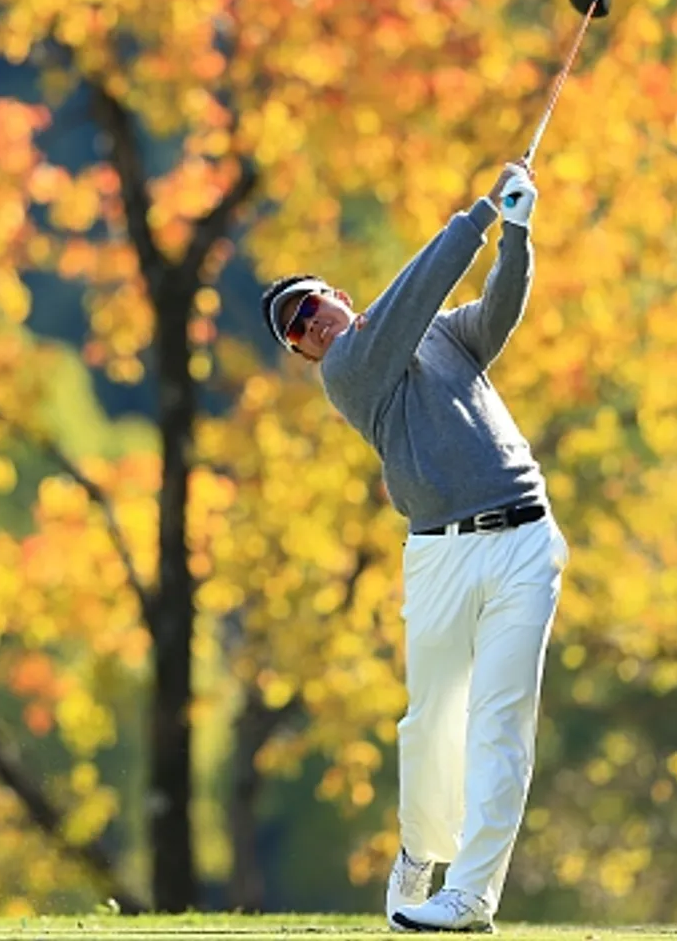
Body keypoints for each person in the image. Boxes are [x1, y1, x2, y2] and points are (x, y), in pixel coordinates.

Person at [261, 160, 570, 933]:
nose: (311, 324)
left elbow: (495, 316)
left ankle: (470, 895)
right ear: (303, 353)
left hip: (524, 539)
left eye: (312, 305)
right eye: (296, 329)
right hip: (439, 556)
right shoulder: (348, 373)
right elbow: (412, 297)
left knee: (501, 721)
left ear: (339, 294)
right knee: (432, 722)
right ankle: (421, 852)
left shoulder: (436, 333)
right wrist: (480, 215)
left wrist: (517, 232)